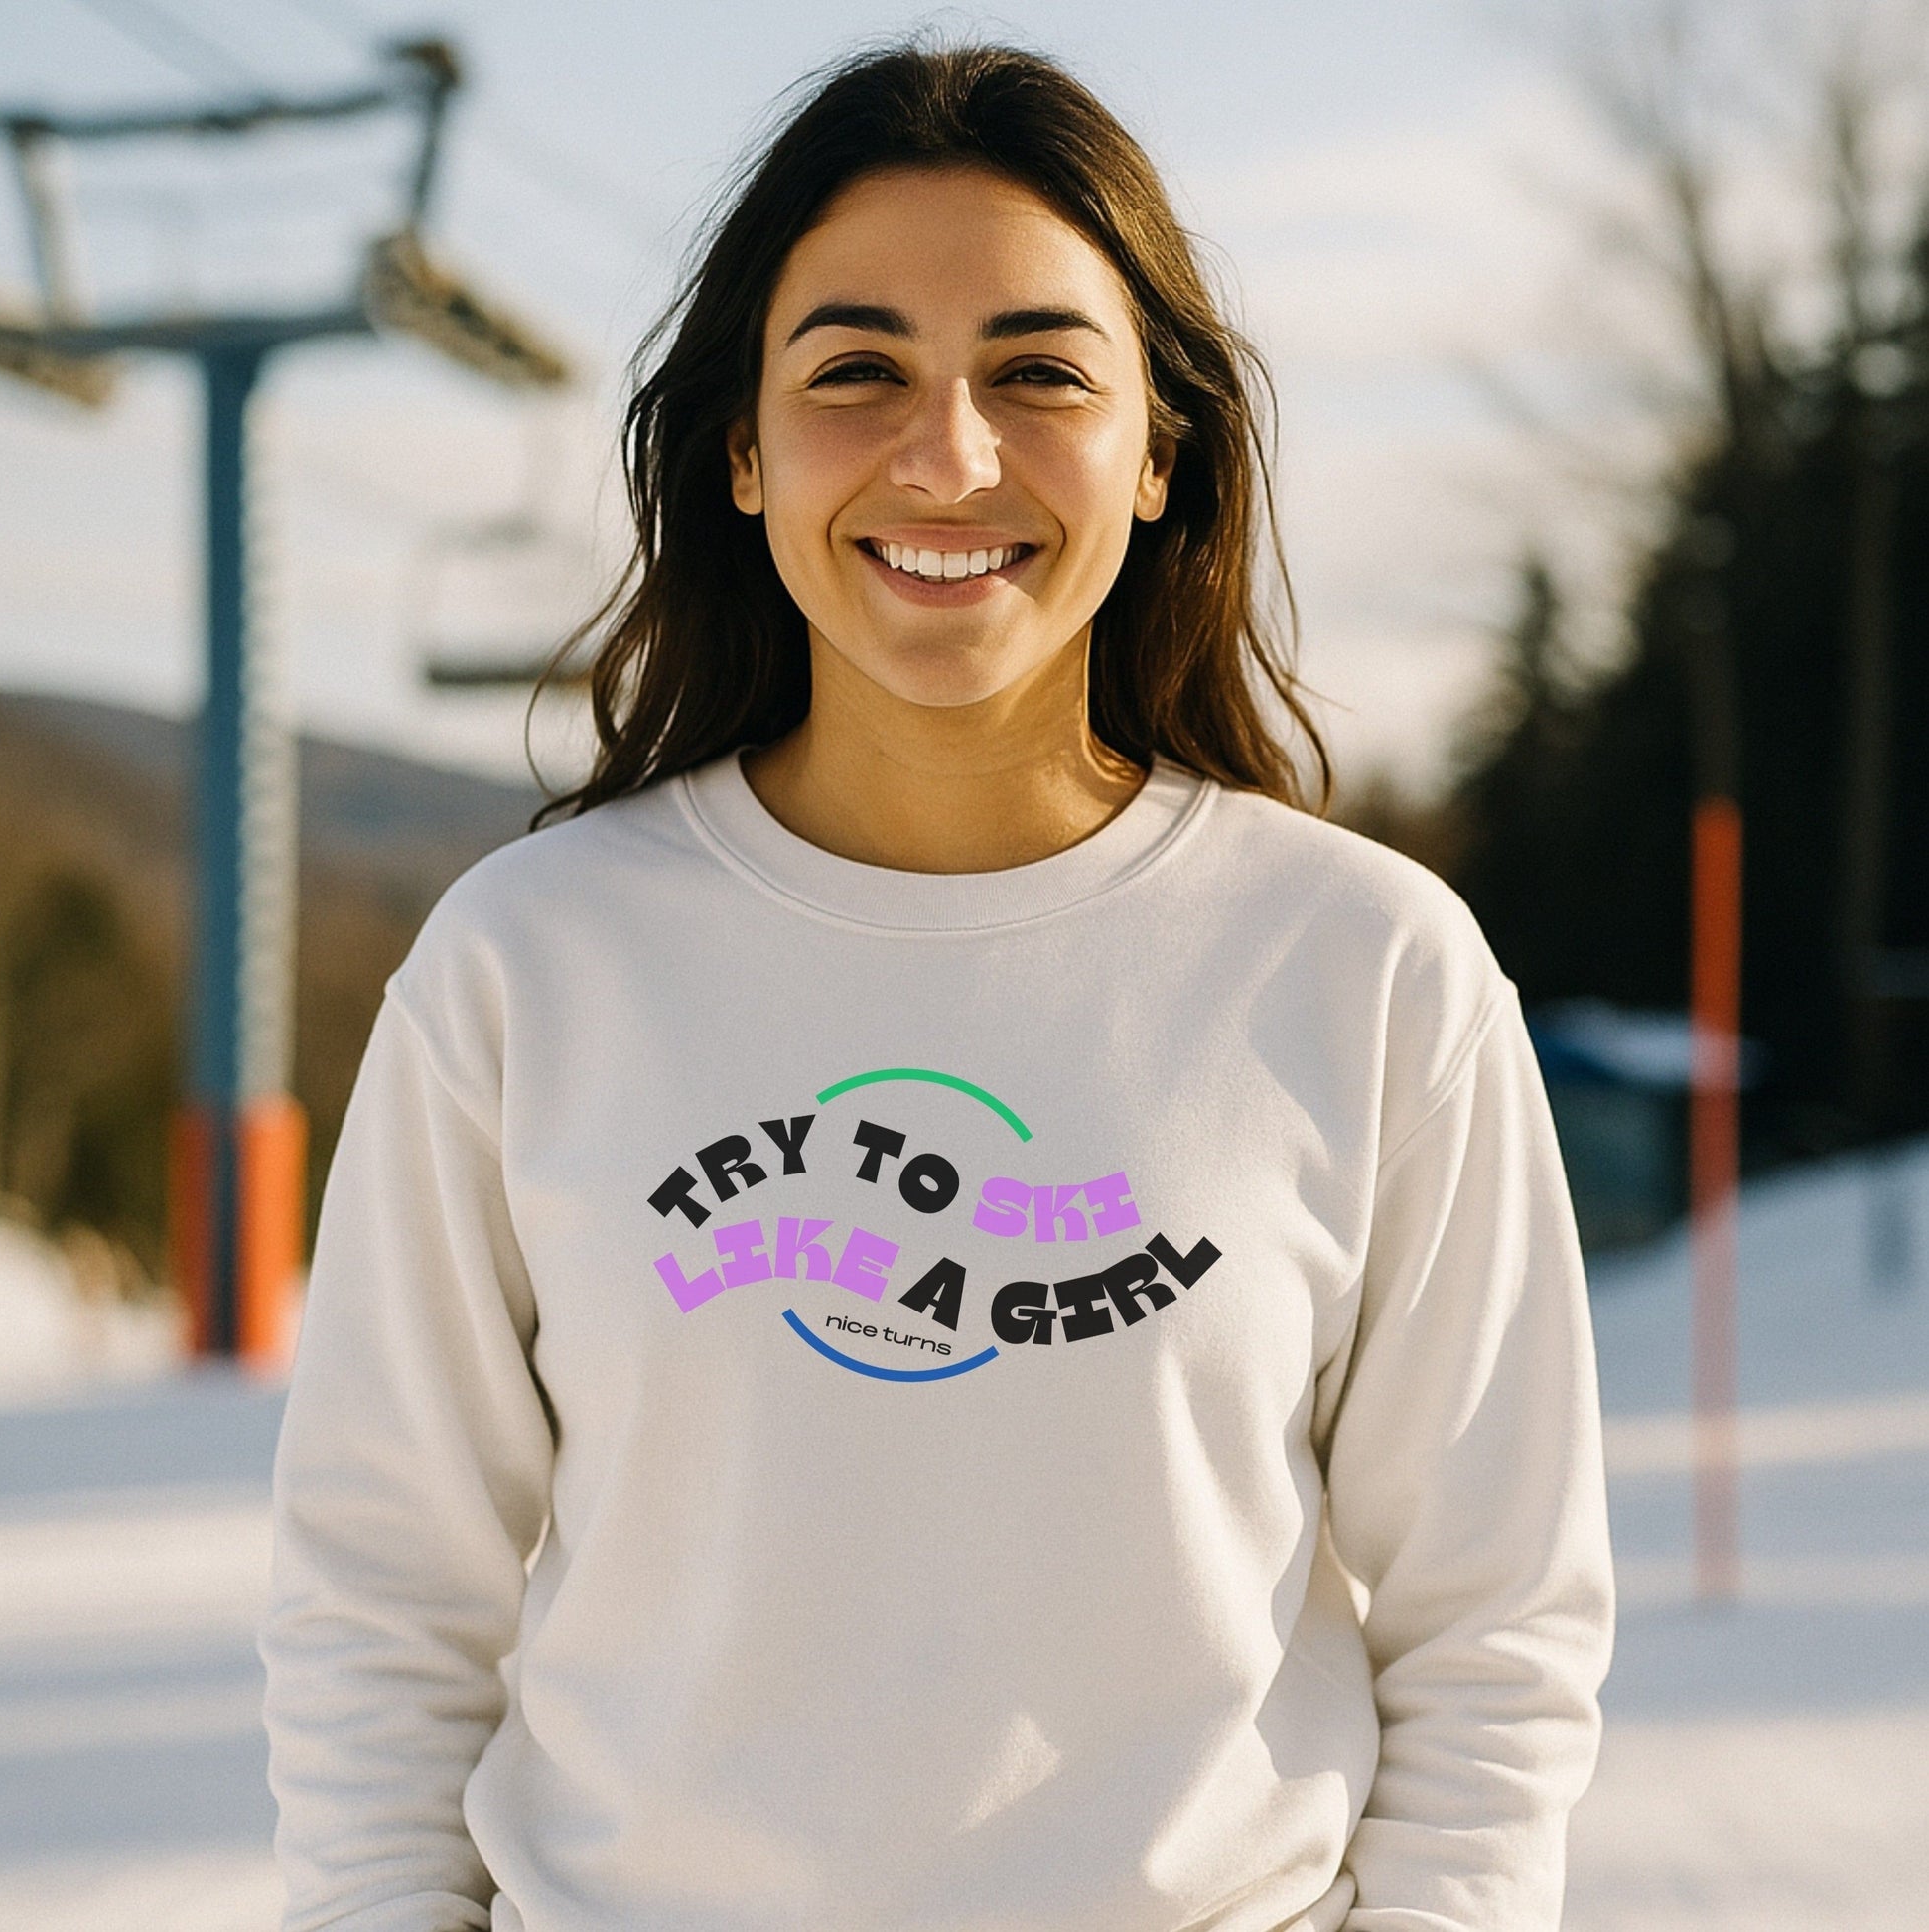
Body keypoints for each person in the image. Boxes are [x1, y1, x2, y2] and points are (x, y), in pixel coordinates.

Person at [260, 40, 1614, 1932]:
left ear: (1158, 452)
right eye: (856, 371)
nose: (948, 455)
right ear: (740, 447)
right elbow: (380, 1604)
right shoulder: (527, 967)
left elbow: (1496, 1626)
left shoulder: (1365, 971)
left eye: (1040, 373)